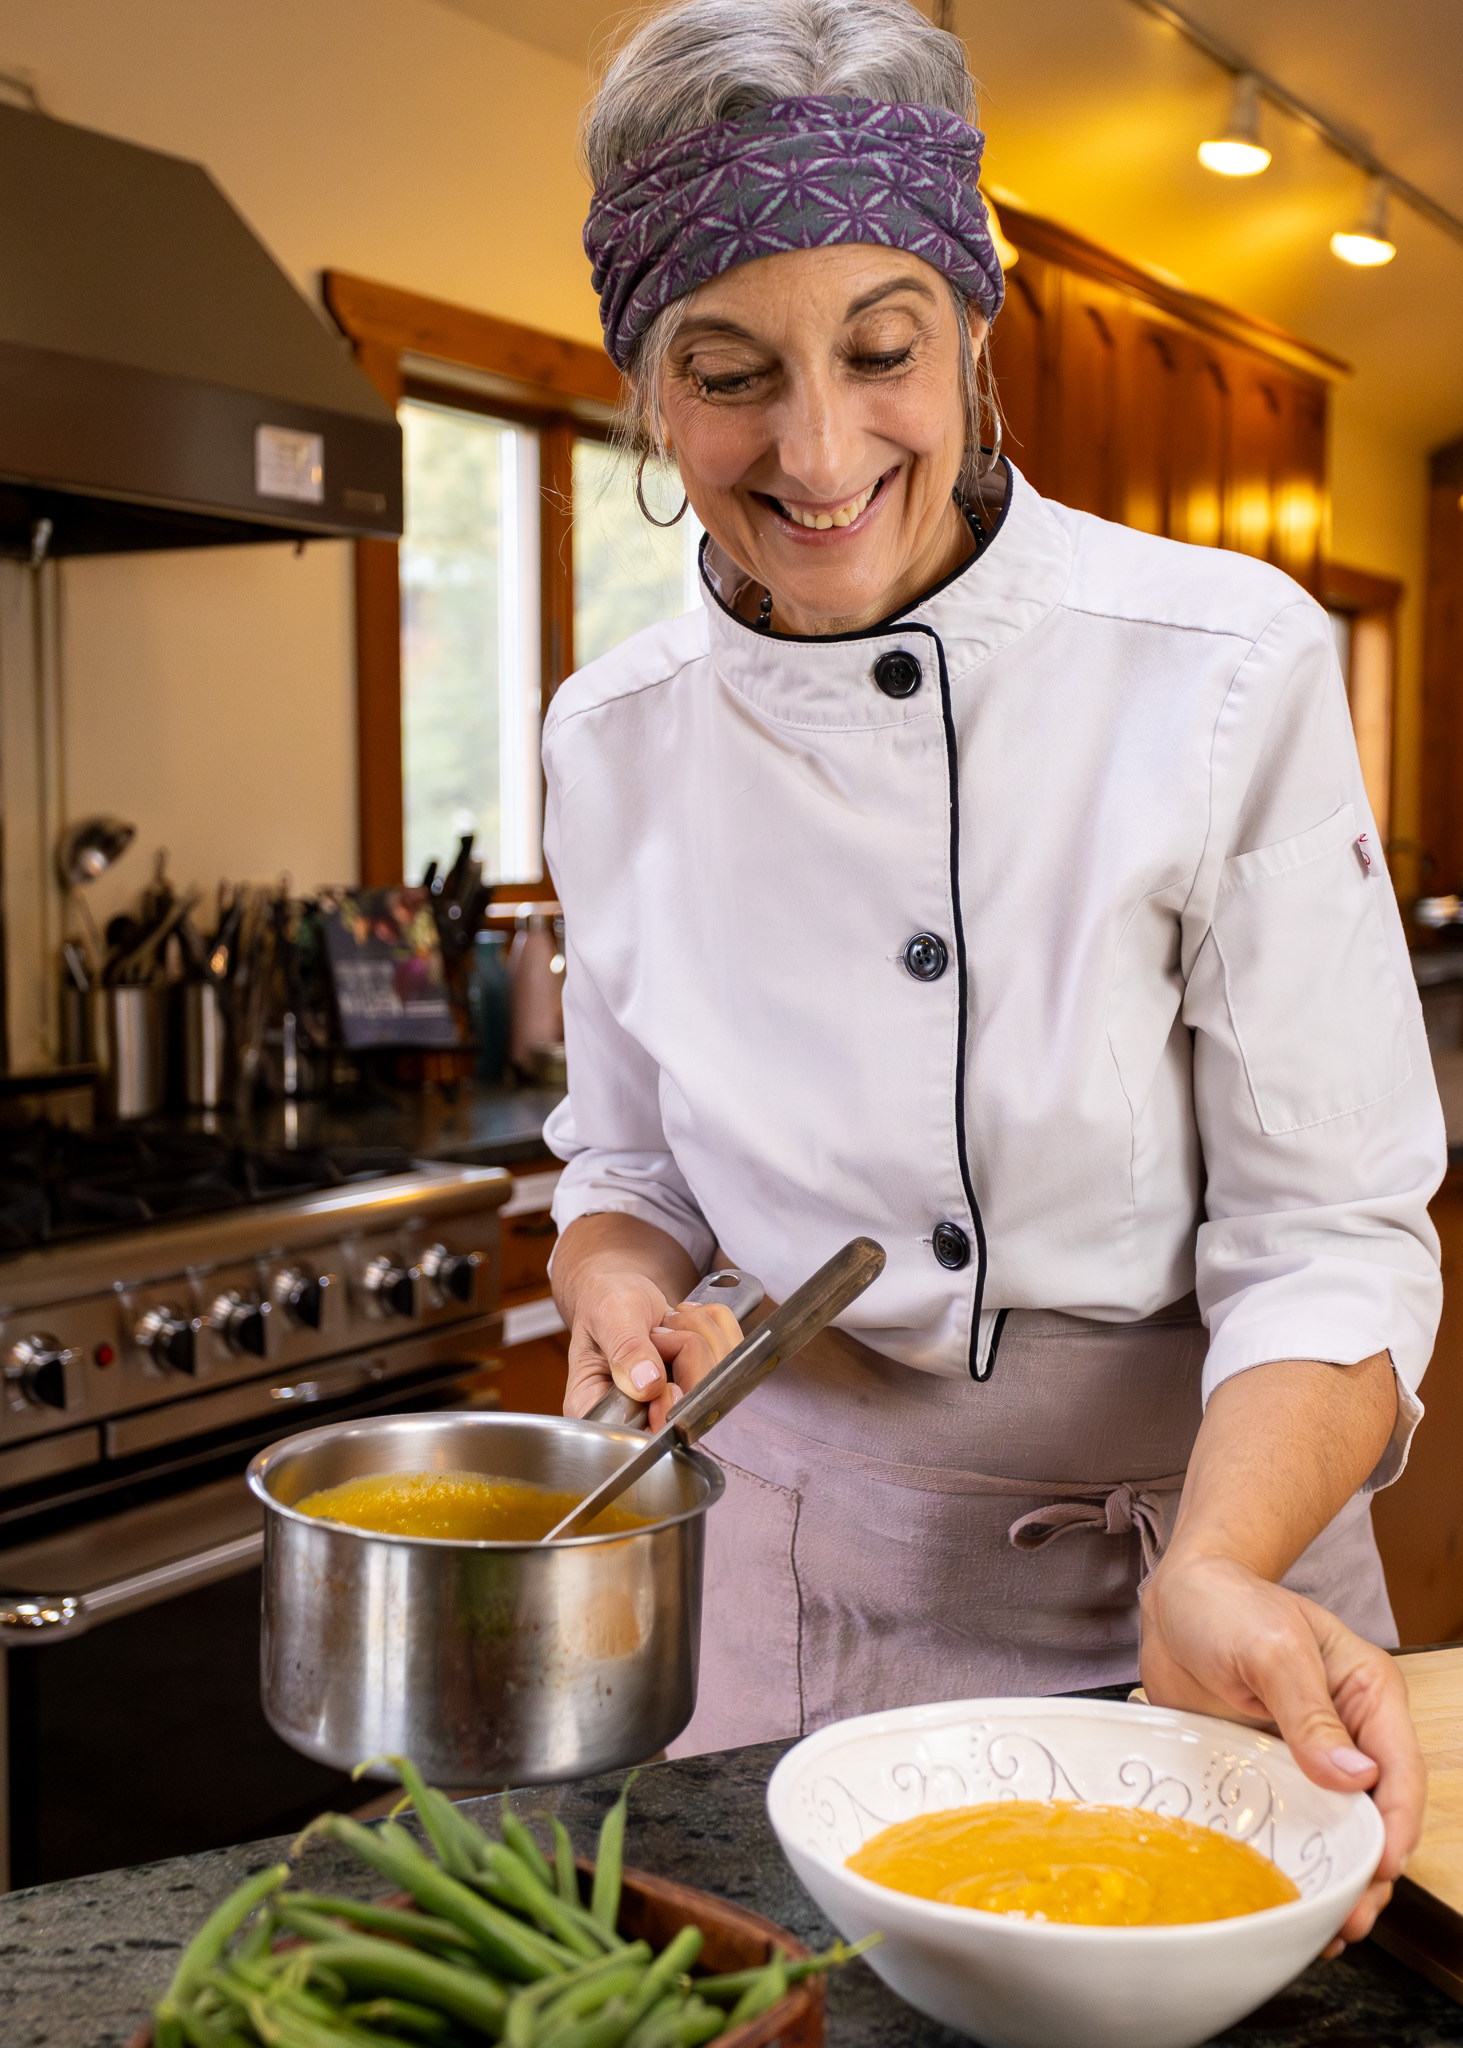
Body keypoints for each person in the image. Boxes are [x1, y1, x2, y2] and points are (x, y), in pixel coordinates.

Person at [544, 0, 1443, 1949]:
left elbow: (1338, 1233)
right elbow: (623, 1173)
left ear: (973, 328)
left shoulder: (1223, 663)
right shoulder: (608, 735)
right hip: (798, 1594)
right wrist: (623, 1300)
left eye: (878, 352)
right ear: (644, 386)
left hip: (1221, 1580)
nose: (813, 449)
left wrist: (1214, 1560)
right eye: (725, 373)